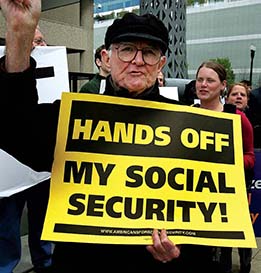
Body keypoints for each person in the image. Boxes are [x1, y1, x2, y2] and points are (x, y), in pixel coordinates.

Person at [0, 1, 182, 272]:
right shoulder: (76, 115)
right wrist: (19, 31)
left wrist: (181, 250)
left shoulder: (185, 126)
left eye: (150, 53)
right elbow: (13, 126)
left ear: (161, 64)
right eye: (127, 50)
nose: (138, 61)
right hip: (82, 262)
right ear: (107, 58)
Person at [190, 62, 255, 273]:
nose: (203, 85)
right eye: (200, 80)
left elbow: (250, 157)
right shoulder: (187, 115)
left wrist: (228, 161)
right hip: (193, 198)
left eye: (210, 80)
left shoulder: (237, 117)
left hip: (225, 199)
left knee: (222, 257)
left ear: (222, 85)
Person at [0, 22, 52, 273]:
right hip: (10, 171)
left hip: (43, 172)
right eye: (32, 40)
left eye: (41, 41)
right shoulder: (5, 72)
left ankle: (45, 263)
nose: (38, 46)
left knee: (43, 225)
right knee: (7, 229)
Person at [219, 83, 255, 273]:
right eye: (235, 94)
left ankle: (245, 265)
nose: (238, 97)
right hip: (217, 182)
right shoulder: (218, 115)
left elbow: (250, 156)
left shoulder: (243, 121)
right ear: (227, 96)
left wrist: (233, 161)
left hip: (238, 182)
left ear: (248, 101)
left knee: (240, 227)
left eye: (243, 94)